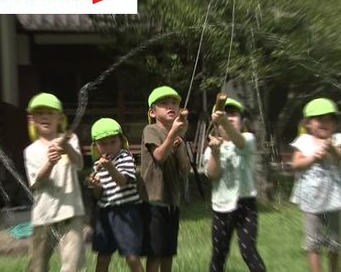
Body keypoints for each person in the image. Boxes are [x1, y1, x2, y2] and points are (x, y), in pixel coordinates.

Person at [24, 93, 86, 272]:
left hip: (71, 211)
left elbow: (79, 164)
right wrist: (50, 162)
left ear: (60, 118)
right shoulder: (31, 150)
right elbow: (36, 181)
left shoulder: (70, 140)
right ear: (32, 119)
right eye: (40, 113)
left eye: (51, 113)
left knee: (73, 263)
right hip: (44, 215)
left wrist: (66, 147)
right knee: (38, 265)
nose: (45, 116)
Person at [203, 98, 266, 272]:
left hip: (246, 206)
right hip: (221, 207)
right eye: (224, 115)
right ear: (215, 124)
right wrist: (215, 152)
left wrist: (223, 119)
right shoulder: (211, 148)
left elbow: (240, 143)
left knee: (248, 251)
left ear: (241, 121)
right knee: (219, 254)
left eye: (233, 114)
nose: (229, 118)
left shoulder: (247, 139)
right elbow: (213, 175)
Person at [290, 98, 341, 272]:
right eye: (319, 119)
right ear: (308, 123)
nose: (325, 122)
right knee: (313, 243)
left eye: (329, 118)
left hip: (333, 200)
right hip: (310, 202)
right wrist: (313, 158)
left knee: (334, 244)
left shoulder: (338, 139)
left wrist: (331, 148)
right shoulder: (303, 141)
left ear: (335, 123)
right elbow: (295, 164)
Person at [139, 86, 191, 272]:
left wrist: (179, 146)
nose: (170, 106)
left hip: (172, 201)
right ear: (152, 112)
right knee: (155, 253)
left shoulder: (178, 136)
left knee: (168, 252)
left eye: (174, 102)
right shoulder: (150, 130)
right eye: (163, 103)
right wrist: (171, 137)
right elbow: (159, 156)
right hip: (153, 200)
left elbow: (185, 170)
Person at [86, 118, 144, 272]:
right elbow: (98, 196)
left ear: (121, 141)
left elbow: (123, 181)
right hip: (105, 212)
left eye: (113, 142)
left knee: (131, 256)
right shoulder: (97, 165)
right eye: (103, 144)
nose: (109, 147)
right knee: (103, 256)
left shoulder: (125, 157)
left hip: (127, 211)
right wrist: (96, 186)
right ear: (96, 147)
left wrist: (110, 167)